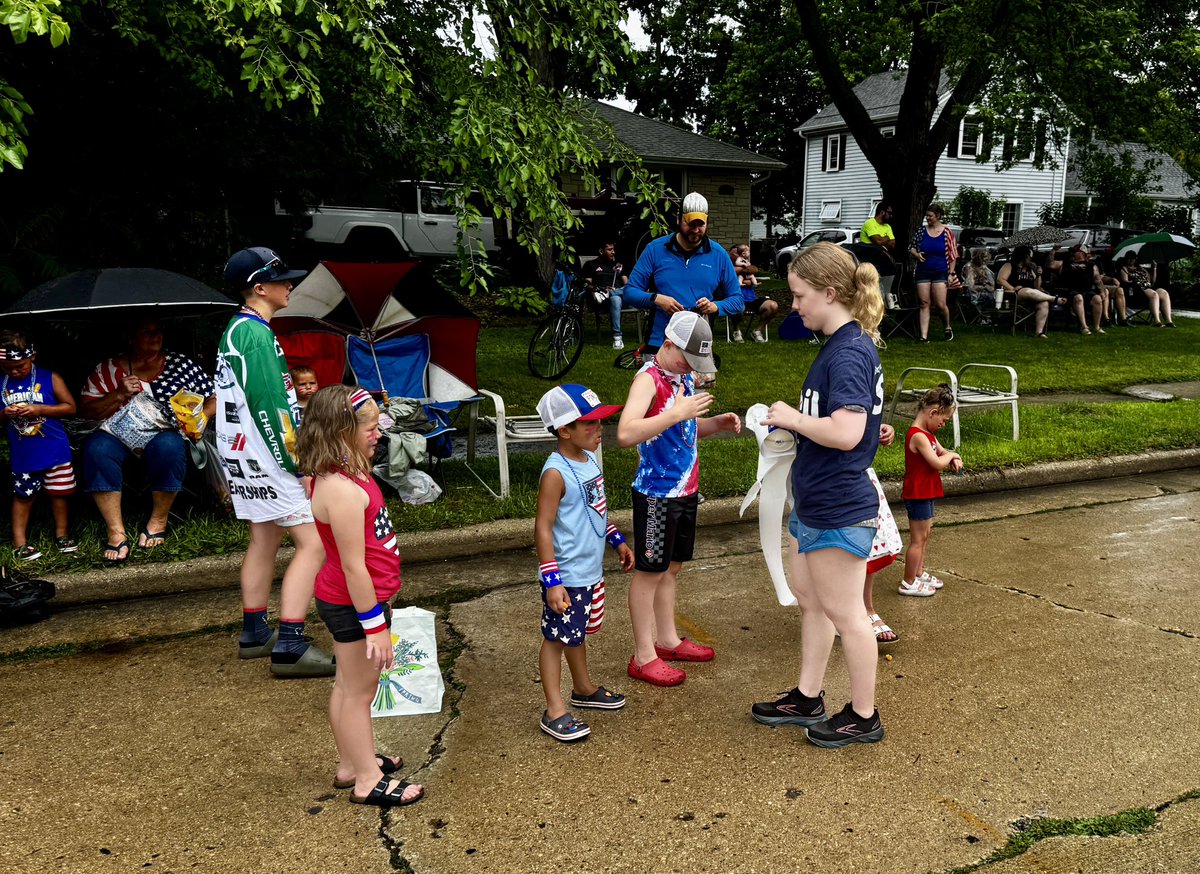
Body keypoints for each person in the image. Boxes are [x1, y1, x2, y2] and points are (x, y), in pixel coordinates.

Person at [751, 241, 886, 748]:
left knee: (848, 614)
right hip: (815, 499)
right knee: (810, 600)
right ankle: (808, 697)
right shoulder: (841, 345)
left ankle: (863, 715)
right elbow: (846, 424)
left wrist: (790, 418)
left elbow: (847, 432)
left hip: (838, 505)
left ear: (830, 293)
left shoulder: (849, 351)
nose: (794, 305)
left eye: (799, 295)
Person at [298, 385, 423, 807]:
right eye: (369, 428)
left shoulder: (345, 471)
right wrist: (376, 627)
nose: (378, 434)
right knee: (359, 691)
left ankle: (352, 762)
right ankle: (368, 779)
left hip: (350, 599)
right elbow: (354, 567)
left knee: (347, 685)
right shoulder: (341, 489)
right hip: (354, 603)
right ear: (340, 431)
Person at [217, 246, 334, 677]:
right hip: (267, 454)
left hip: (242, 453)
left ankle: (253, 633)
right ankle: (290, 644)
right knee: (314, 543)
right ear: (259, 288)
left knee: (264, 538)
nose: (291, 286)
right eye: (283, 280)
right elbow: (270, 406)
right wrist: (299, 463)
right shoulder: (255, 334)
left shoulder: (237, 330)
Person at [617, 310, 741, 686]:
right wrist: (676, 413)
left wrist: (713, 424)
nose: (692, 367)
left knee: (671, 567)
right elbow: (626, 432)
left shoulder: (681, 379)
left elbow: (683, 428)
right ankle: (643, 655)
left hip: (685, 490)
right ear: (667, 344)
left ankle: (668, 639)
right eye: (687, 358)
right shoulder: (648, 380)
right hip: (656, 493)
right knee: (649, 572)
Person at [533, 383, 633, 741]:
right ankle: (554, 709)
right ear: (564, 430)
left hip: (590, 571)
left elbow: (598, 510)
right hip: (567, 574)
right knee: (555, 639)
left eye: (600, 421)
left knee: (575, 634)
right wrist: (552, 581)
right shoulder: (555, 473)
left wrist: (616, 539)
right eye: (589, 424)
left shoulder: (589, 460)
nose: (598, 429)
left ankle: (584, 688)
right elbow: (542, 528)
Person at [79, 318, 216, 562]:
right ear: (130, 338)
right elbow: (87, 412)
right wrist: (118, 394)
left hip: (163, 435)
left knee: (170, 445)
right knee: (96, 448)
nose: (155, 336)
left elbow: (214, 396)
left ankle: (158, 520)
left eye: (158, 331)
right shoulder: (107, 370)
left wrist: (201, 417)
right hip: (116, 437)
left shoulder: (180, 364)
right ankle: (116, 530)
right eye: (146, 331)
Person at [620, 192, 744, 357]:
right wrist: (657, 299)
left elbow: (738, 301)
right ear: (679, 220)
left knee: (698, 384)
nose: (695, 230)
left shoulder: (718, 254)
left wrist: (716, 306)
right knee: (654, 384)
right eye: (690, 223)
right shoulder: (655, 249)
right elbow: (629, 292)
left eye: (701, 225)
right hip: (659, 343)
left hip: (699, 344)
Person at [0, 330, 78, 561]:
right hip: (25, 454)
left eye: (19, 366)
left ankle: (62, 535)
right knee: (23, 495)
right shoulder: (1, 382)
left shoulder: (49, 377)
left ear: (32, 357)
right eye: (6, 367)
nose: (14, 371)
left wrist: (39, 409)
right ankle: (20, 543)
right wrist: (5, 414)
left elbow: (70, 407)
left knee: (59, 494)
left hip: (55, 450)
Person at [898, 385, 962, 597]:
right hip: (918, 493)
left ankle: (918, 573)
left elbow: (943, 451)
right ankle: (908, 582)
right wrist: (951, 456)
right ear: (933, 412)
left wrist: (952, 455)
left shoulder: (928, 434)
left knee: (925, 535)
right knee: (918, 539)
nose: (943, 425)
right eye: (943, 420)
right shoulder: (918, 436)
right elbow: (936, 461)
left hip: (926, 492)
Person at [863, 426, 902, 644]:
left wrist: (880, 429)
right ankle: (845, 612)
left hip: (860, 475)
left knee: (867, 548)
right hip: (834, 475)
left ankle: (867, 608)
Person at [907, 202, 958, 342]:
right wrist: (916, 255)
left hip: (940, 271)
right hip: (923, 271)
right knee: (924, 303)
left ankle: (947, 327)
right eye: (927, 216)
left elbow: (953, 255)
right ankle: (923, 336)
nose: (927, 218)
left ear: (938, 216)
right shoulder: (922, 231)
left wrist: (951, 273)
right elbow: (911, 247)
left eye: (930, 216)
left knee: (940, 304)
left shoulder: (947, 232)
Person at [995, 246, 1063, 338]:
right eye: (1028, 256)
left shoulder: (1030, 269)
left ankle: (1039, 332)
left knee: (1043, 302)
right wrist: (1013, 288)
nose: (1030, 258)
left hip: (1032, 295)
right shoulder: (1009, 265)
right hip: (1014, 295)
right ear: (1022, 256)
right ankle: (1054, 299)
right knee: (1026, 290)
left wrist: (1039, 275)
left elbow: (1037, 287)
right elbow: (1000, 280)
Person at [581, 241, 629, 349]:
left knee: (617, 296)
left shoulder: (618, 265)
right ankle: (617, 338)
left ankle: (610, 293)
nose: (613, 252)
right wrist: (601, 289)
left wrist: (614, 291)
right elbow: (587, 285)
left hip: (621, 296)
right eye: (610, 250)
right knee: (615, 299)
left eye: (613, 249)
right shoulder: (591, 265)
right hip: (601, 299)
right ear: (601, 251)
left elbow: (628, 285)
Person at [1051, 245, 1107, 335]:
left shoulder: (1091, 265)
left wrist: (1102, 291)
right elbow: (1050, 264)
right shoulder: (1065, 263)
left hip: (1086, 291)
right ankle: (1084, 326)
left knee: (1097, 299)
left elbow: (1097, 279)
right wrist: (1053, 250)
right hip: (1070, 292)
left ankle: (1097, 327)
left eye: (1075, 251)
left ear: (1082, 253)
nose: (1073, 253)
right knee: (1079, 297)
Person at [729, 243, 779, 343]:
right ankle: (736, 330)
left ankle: (757, 331)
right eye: (734, 254)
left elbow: (753, 270)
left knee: (773, 306)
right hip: (736, 299)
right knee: (738, 307)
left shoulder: (747, 264)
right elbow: (733, 272)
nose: (737, 256)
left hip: (751, 299)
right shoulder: (727, 267)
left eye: (739, 253)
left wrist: (750, 281)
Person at [1119, 252, 1175, 327]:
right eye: (1128, 258)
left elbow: (1152, 281)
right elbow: (1125, 282)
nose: (1130, 260)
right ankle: (1157, 321)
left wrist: (1154, 268)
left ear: (1135, 259)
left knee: (1164, 292)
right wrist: (1132, 278)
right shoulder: (1124, 269)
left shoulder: (1141, 269)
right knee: (1154, 294)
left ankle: (1169, 321)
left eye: (1132, 258)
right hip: (1137, 291)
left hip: (1148, 288)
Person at [962, 248, 998, 325]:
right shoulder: (969, 267)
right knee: (989, 296)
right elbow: (970, 285)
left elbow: (992, 283)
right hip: (971, 293)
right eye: (984, 257)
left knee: (997, 295)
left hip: (985, 290)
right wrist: (984, 286)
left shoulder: (984, 267)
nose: (987, 259)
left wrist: (988, 286)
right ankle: (984, 318)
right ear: (978, 257)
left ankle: (989, 317)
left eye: (987, 256)